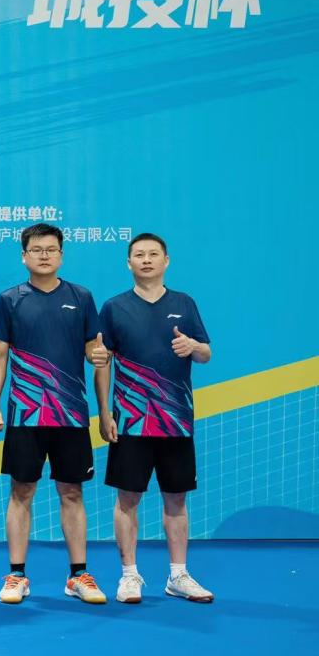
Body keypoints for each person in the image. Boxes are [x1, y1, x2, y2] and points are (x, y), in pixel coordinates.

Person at [0, 223, 109, 605]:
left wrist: (96, 357)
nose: (44, 255)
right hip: (26, 414)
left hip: (71, 414)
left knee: (72, 492)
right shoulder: (9, 300)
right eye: (36, 249)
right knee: (21, 491)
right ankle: (16, 575)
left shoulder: (81, 297)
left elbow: (92, 349)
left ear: (61, 255)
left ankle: (78, 575)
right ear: (24, 256)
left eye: (51, 249)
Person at [95, 233, 214, 604]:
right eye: (139, 255)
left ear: (166, 261)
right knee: (127, 499)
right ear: (128, 263)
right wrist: (104, 412)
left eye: (153, 254)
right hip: (131, 421)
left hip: (176, 420)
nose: (146, 260)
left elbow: (206, 353)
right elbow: (102, 361)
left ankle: (178, 575)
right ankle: (129, 575)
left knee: (176, 499)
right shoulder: (114, 307)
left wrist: (193, 346)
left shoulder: (184, 303)